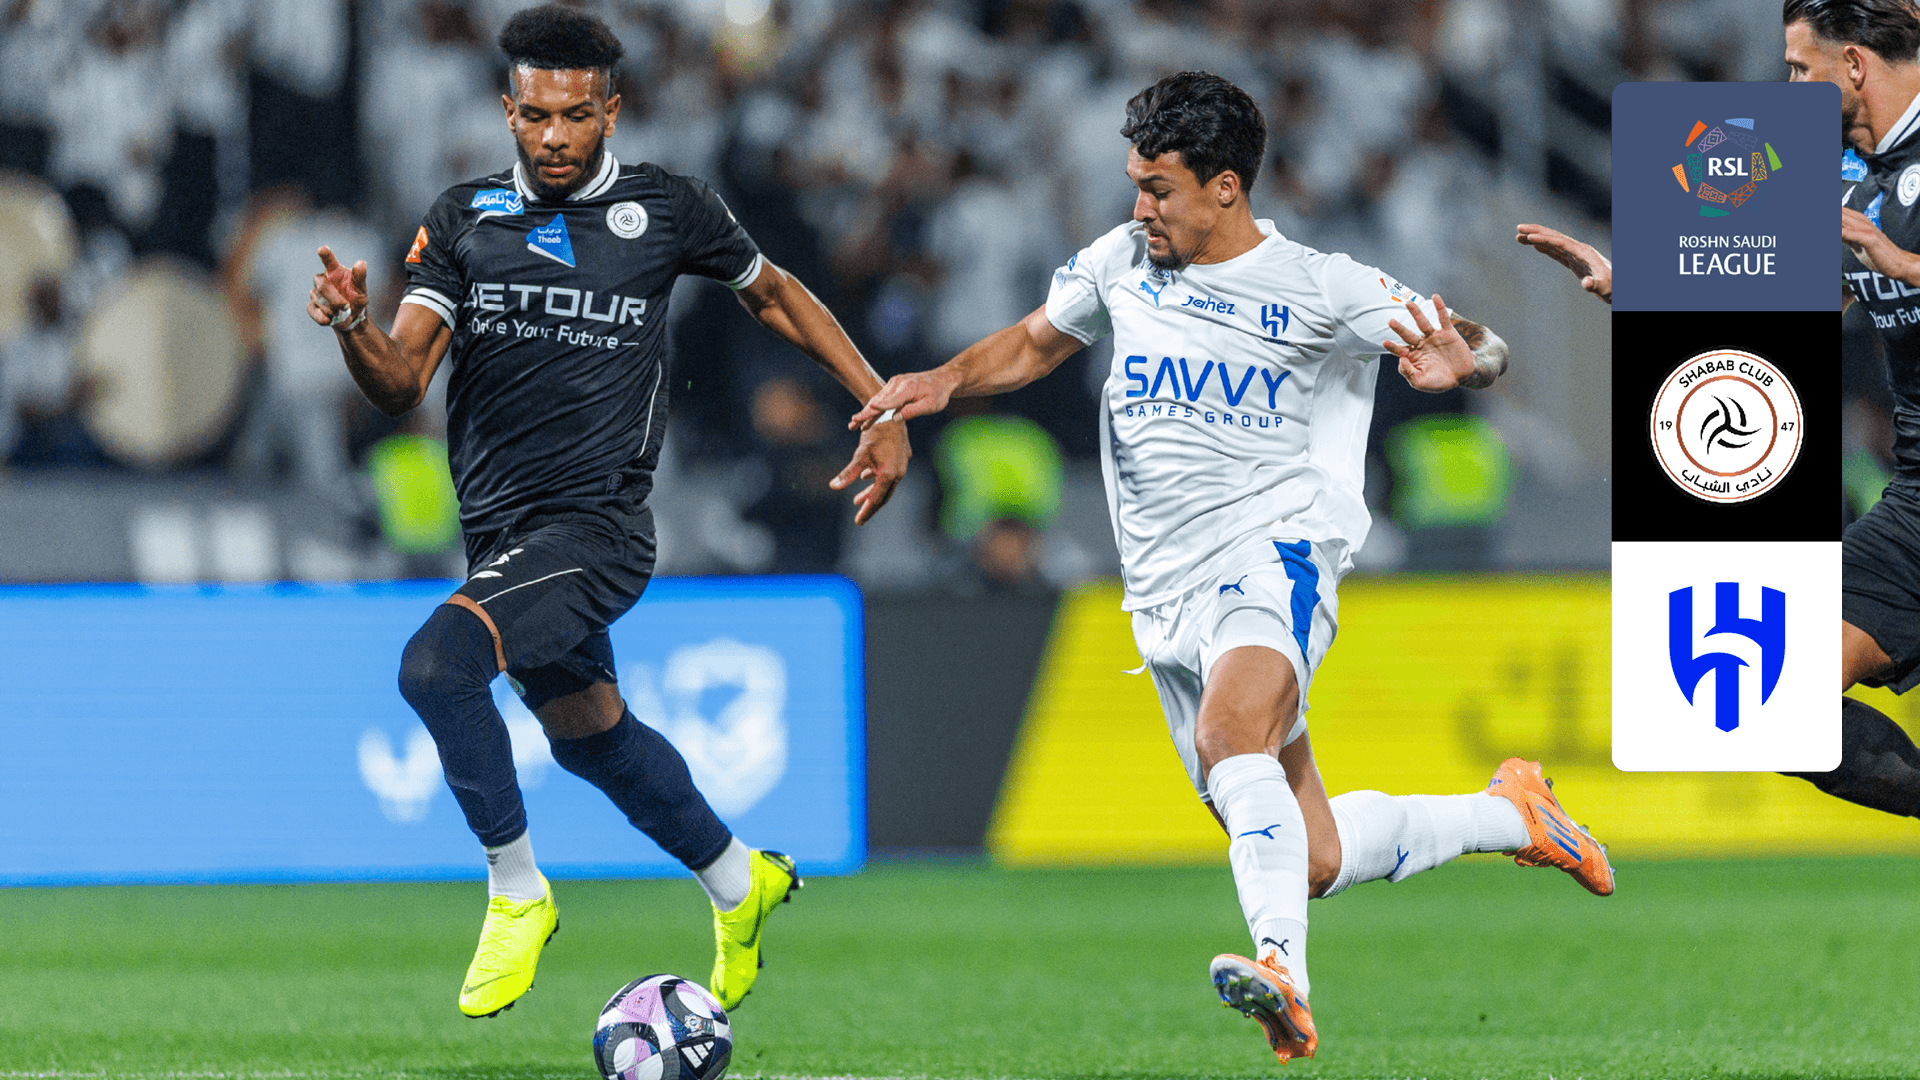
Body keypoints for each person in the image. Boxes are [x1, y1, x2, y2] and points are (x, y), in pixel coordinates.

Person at [850, 71, 1611, 1064]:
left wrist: (1464, 363)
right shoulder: (1120, 261)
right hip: (1160, 595)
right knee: (1314, 855)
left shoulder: (1321, 284)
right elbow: (1036, 343)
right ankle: (1511, 815)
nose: (1140, 208)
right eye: (1136, 185)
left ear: (1224, 187)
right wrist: (944, 381)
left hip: (1274, 553)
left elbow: (1482, 341)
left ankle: (1282, 972)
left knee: (1229, 734)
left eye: (1158, 189)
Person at [305, 4, 909, 1020]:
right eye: (536, 115)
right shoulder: (462, 220)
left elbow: (774, 294)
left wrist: (879, 402)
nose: (554, 136)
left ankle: (517, 890)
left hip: (598, 530)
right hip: (503, 538)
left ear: (611, 112)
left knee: (436, 667)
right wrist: (353, 327)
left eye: (575, 116)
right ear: (508, 110)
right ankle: (738, 880)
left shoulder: (666, 209)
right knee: (587, 734)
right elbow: (401, 380)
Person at [1777, 0, 1920, 816]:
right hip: (1914, 507)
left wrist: (1906, 263)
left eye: (1801, 70)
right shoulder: (1843, 177)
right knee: (1772, 702)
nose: (1791, 90)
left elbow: (1892, 263)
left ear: (1855, 66)